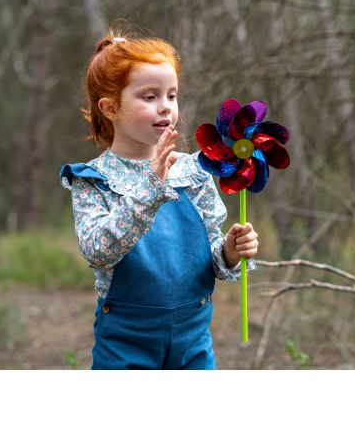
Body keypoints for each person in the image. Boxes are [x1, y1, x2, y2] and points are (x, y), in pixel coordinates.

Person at [60, 31, 258, 370]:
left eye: (172, 95)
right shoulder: (93, 181)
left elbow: (212, 256)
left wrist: (229, 251)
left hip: (193, 337)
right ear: (111, 107)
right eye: (149, 96)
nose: (165, 106)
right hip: (126, 339)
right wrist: (151, 188)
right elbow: (97, 250)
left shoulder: (194, 171)